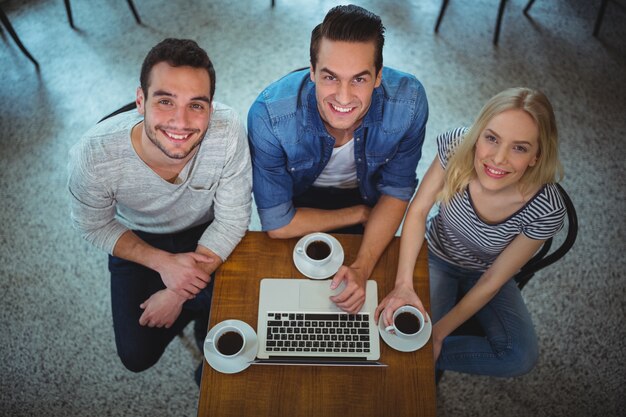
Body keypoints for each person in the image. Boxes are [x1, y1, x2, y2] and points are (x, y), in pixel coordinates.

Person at [67, 38, 252, 383]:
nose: (180, 123)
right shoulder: (93, 156)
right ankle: (200, 304)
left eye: (196, 105)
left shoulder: (227, 131)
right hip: (138, 236)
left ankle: (197, 309)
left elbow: (233, 218)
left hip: (207, 231)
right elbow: (93, 225)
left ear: (211, 109)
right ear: (141, 101)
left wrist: (177, 290)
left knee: (241, 326)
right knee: (137, 355)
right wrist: (164, 265)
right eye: (165, 101)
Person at [247, 5, 428, 314]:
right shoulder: (269, 116)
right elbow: (277, 223)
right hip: (301, 202)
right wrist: (357, 213)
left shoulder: (408, 103)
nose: (343, 98)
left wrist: (363, 266)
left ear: (378, 76)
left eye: (359, 79)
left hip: (371, 194)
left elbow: (396, 190)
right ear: (313, 71)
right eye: (330, 77)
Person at [375, 87, 566, 378]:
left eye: (519, 147)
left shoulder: (546, 208)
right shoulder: (456, 146)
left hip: (488, 273)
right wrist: (404, 284)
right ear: (477, 136)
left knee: (519, 356)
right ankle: (415, 357)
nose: (499, 158)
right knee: (403, 327)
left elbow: (493, 280)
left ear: (536, 156)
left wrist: (437, 335)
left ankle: (420, 357)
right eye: (492, 138)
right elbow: (417, 211)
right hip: (437, 255)